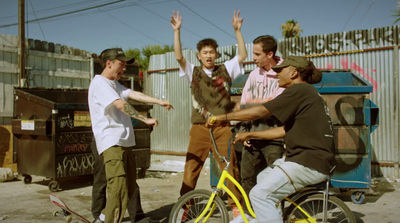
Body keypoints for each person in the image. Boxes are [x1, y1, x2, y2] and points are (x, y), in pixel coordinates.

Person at [207, 56, 336, 223]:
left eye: (280, 70)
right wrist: (250, 134)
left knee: (260, 194)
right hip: (306, 160)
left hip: (308, 161)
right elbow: (284, 130)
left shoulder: (299, 91)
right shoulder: (307, 93)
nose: (276, 75)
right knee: (263, 178)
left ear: (294, 73)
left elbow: (261, 111)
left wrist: (222, 117)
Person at [170, 10, 247, 220]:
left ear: (216, 54)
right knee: (191, 168)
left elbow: (242, 55)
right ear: (199, 55)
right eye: (205, 52)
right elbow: (178, 56)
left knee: (230, 168)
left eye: (212, 52)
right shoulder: (192, 71)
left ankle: (236, 208)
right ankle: (185, 207)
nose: (209, 55)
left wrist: (237, 31)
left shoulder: (226, 69)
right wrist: (177, 31)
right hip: (200, 129)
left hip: (222, 128)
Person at [88, 48, 173, 223]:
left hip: (124, 142)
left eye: (126, 65)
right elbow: (120, 105)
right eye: (121, 64)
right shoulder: (100, 84)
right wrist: (144, 119)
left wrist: (159, 101)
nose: (124, 69)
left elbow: (134, 94)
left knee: (130, 185)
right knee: (117, 187)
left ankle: (125, 217)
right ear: (109, 63)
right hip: (111, 143)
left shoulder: (114, 84)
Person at [231, 35, 285, 223]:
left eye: (257, 54)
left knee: (276, 181)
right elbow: (245, 104)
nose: (253, 58)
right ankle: (249, 216)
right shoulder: (254, 75)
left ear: (270, 54)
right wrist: (245, 128)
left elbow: (272, 107)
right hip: (252, 135)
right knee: (247, 177)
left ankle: (275, 216)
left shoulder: (284, 73)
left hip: (274, 137)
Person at [91, 139, 145, 223]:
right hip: (106, 143)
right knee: (108, 182)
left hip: (123, 143)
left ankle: (137, 216)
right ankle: (99, 216)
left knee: (129, 182)